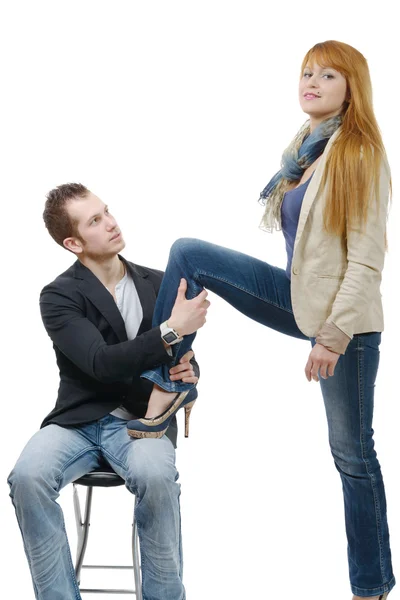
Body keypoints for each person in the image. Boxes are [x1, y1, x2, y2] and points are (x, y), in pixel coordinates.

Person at [126, 40, 395, 599]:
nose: (312, 82)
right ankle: (168, 380)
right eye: (306, 73)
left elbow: (367, 259)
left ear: (353, 88)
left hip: (346, 325)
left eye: (328, 75)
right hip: (302, 297)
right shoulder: (305, 150)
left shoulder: (359, 153)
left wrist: (332, 337)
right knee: (189, 252)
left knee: (352, 454)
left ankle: (371, 587)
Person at [7, 182, 210, 600]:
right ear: (73, 242)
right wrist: (172, 330)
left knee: (156, 475)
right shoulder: (58, 296)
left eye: (107, 211)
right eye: (94, 221)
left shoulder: (159, 283)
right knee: (27, 477)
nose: (111, 223)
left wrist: (189, 368)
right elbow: (100, 363)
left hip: (143, 424)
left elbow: (180, 359)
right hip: (78, 422)